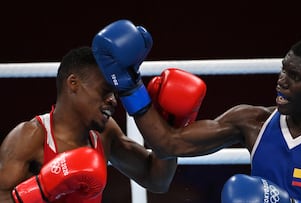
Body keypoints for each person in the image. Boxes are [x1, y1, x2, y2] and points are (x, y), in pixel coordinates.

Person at [93, 30, 301, 203]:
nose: (282, 81)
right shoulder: (252, 121)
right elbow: (169, 143)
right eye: (284, 70)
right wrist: (130, 85)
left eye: (295, 77)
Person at [0, 20, 206, 203]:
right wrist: (42, 188)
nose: (113, 100)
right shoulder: (30, 137)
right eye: (105, 91)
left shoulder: (104, 134)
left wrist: (169, 124)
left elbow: (156, 180)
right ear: (74, 83)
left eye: (114, 93)